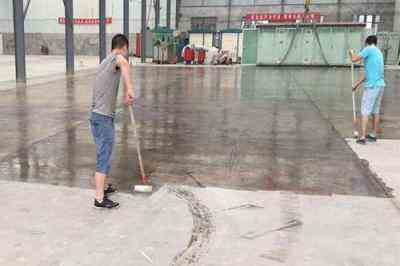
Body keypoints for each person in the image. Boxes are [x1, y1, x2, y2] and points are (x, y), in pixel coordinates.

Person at [90, 34, 134, 208]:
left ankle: (104, 187)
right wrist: (129, 89)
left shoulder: (104, 62)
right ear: (123, 47)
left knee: (105, 152)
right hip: (103, 117)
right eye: (127, 50)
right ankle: (99, 198)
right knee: (104, 155)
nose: (126, 54)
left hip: (96, 116)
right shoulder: (118, 58)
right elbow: (123, 63)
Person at [350, 35, 385, 145]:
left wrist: (351, 53)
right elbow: (367, 73)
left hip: (372, 86)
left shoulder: (369, 49)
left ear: (367, 43)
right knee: (375, 111)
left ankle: (363, 137)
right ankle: (373, 134)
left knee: (365, 110)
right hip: (380, 85)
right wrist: (356, 84)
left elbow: (354, 59)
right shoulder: (378, 52)